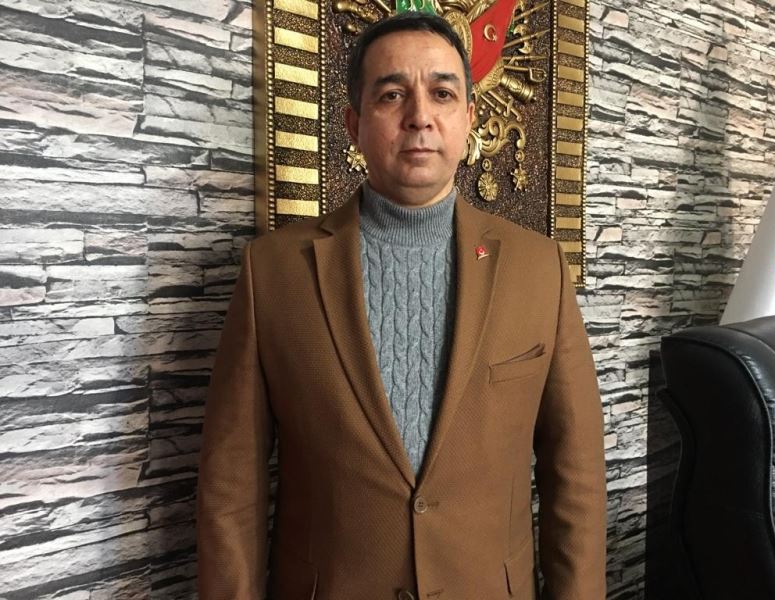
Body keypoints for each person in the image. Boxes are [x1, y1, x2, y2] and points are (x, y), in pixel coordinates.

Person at [196, 11, 606, 600]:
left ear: (469, 117)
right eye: (392, 95)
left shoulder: (539, 269)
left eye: (442, 93)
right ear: (354, 124)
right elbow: (231, 487)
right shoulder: (273, 272)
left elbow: (576, 476)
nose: (419, 116)